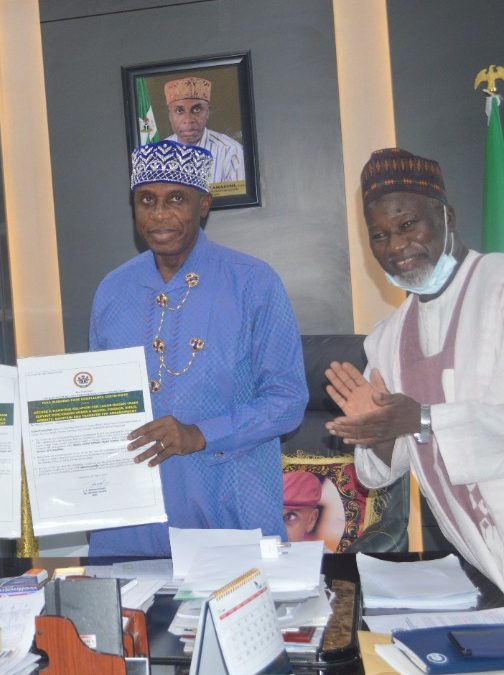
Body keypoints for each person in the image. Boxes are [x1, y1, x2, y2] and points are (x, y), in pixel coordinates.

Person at [88, 139, 307, 556]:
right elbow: (100, 404)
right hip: (130, 522)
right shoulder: (113, 291)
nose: (159, 215)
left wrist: (200, 434)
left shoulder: (253, 283)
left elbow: (289, 400)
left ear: (203, 205)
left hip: (227, 512)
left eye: (176, 199)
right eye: (146, 200)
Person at [325, 148, 504, 591]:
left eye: (408, 225)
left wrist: (421, 418)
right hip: (480, 558)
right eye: (380, 235)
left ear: (447, 217)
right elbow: (380, 472)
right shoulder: (386, 338)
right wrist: (380, 432)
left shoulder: (498, 285)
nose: (397, 247)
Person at [163, 76, 245, 185]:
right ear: (169, 115)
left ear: (208, 112)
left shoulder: (231, 152)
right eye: (179, 110)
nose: (188, 120)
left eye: (196, 109)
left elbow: (240, 201)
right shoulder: (158, 154)